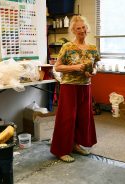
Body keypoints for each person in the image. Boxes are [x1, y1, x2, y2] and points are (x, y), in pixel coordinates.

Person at [50, 15, 100, 162]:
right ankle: (61, 150)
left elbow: (96, 66)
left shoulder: (92, 48)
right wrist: (75, 67)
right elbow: (57, 67)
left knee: (83, 118)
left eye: (83, 27)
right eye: (78, 28)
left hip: (85, 87)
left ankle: (76, 145)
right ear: (73, 30)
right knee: (67, 118)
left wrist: (94, 72)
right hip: (69, 87)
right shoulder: (67, 47)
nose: (81, 30)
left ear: (87, 29)